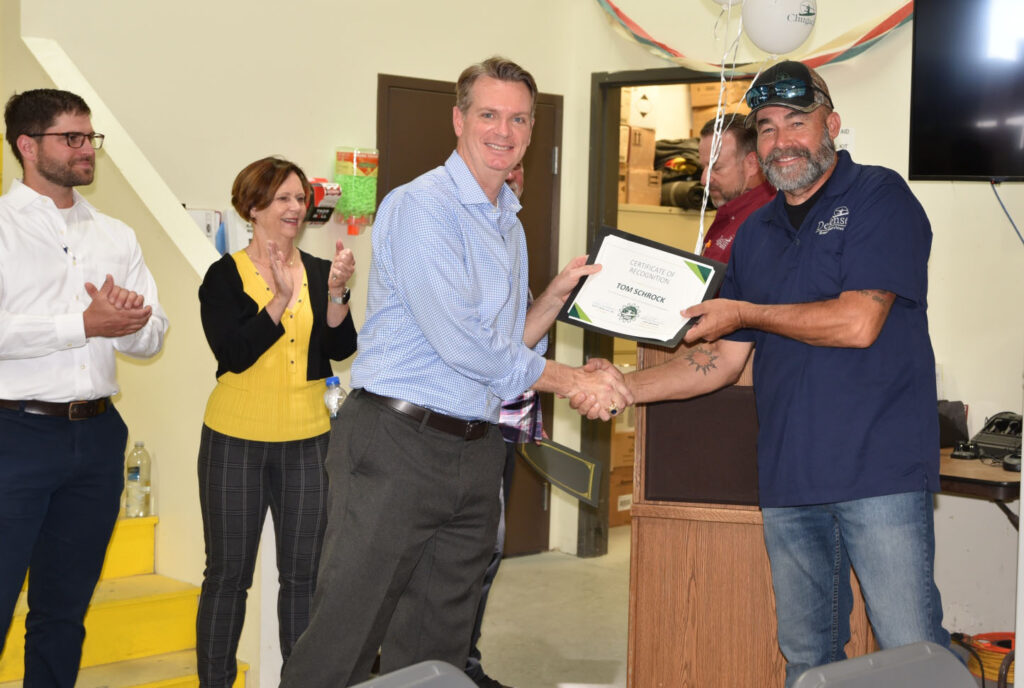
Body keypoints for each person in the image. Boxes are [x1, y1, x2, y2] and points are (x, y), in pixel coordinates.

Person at [582, 61, 951, 686]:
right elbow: (722, 360)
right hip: (789, 480)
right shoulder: (756, 235)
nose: (782, 141)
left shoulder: (879, 198)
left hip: (878, 474)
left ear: (830, 125)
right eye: (768, 128)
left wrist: (745, 311)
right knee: (807, 659)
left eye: (797, 123)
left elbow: (858, 322)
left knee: (910, 654)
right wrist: (625, 387)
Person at [280, 57, 630, 688]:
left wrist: (552, 299)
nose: (505, 130)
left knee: (437, 650)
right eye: (489, 114)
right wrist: (572, 379)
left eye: (519, 118)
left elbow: (501, 351)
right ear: (458, 119)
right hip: (394, 444)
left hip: (473, 450)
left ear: (531, 130)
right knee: (343, 640)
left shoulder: (508, 222)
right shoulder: (421, 207)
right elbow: (462, 347)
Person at [0, 88, 168, 687]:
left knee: (64, 612)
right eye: (71, 138)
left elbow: (152, 337)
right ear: (27, 145)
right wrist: (82, 324)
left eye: (89, 138)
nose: (86, 150)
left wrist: (133, 320)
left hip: (96, 437)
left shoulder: (115, 235)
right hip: (13, 433)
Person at [195, 157, 357, 688]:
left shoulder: (314, 269)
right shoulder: (223, 277)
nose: (296, 208)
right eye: (283, 198)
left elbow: (340, 347)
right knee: (227, 577)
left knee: (306, 578)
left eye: (300, 198)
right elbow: (234, 352)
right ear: (253, 206)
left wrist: (335, 294)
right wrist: (281, 301)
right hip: (234, 441)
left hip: (309, 440)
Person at [464, 161, 537, 688]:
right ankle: (454, 662)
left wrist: (558, 297)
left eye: (515, 179)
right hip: (463, 424)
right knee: (467, 551)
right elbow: (484, 349)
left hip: (506, 428)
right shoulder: (459, 239)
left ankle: (465, 661)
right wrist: (572, 378)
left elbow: (522, 338)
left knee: (487, 549)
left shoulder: (516, 239)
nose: (506, 186)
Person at [697, 114, 774, 263]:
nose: (704, 180)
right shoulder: (730, 213)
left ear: (751, 164)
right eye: (703, 167)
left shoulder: (767, 223)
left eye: (716, 167)